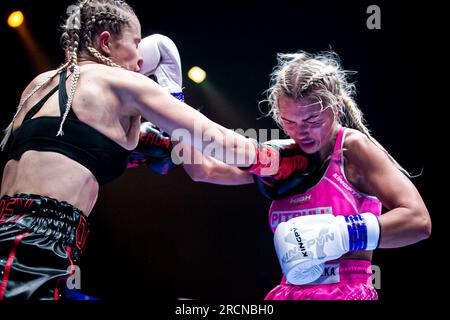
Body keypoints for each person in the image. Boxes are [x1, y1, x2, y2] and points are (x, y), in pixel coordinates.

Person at [0, 0, 310, 300]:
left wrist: (156, 143)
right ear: (106, 41)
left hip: (25, 243)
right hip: (31, 254)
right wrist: (277, 161)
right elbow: (217, 140)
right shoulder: (122, 83)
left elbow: (193, 165)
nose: (140, 60)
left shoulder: (41, 84)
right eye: (135, 43)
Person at [182, 51, 432, 300]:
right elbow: (204, 170)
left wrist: (340, 233)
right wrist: (174, 98)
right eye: (289, 121)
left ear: (335, 107)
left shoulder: (353, 149)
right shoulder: (282, 156)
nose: (301, 131)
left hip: (345, 291)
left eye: (312, 120)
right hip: (289, 292)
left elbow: (418, 221)